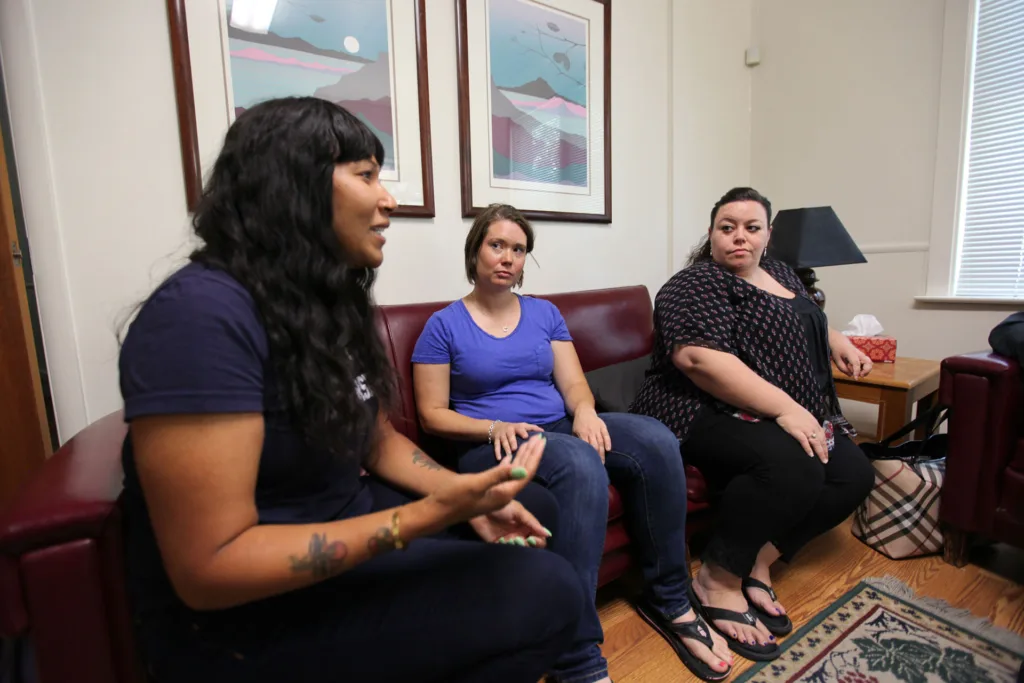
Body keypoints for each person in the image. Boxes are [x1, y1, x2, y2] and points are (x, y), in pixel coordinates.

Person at [118, 98, 586, 683]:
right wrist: (423, 517)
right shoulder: (200, 316)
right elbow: (210, 568)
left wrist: (464, 493)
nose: (388, 200)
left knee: (530, 509)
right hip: (249, 616)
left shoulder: (321, 301)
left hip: (339, 520)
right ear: (294, 186)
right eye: (366, 175)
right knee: (550, 593)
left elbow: (375, 438)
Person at [411, 204, 734, 683]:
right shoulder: (444, 325)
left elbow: (574, 383)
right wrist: (493, 428)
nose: (507, 258)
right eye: (496, 245)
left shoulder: (544, 313)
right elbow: (432, 415)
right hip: (492, 443)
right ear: (474, 250)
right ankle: (574, 650)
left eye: (518, 249)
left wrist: (584, 412)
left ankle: (671, 598)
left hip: (557, 425)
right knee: (583, 464)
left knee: (657, 438)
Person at [630, 187, 875, 660]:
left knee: (853, 473)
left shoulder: (781, 272)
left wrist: (837, 339)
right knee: (794, 465)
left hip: (782, 403)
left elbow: (805, 313)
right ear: (711, 233)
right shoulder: (695, 283)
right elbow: (697, 358)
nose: (739, 237)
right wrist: (785, 409)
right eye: (727, 227)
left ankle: (756, 560)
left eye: (751, 227)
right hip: (696, 406)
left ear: (767, 235)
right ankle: (716, 580)